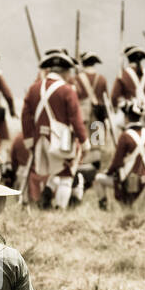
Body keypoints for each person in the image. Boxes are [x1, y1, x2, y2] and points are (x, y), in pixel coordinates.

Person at [20, 49, 88, 209]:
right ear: (65, 71)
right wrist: (85, 142)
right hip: (61, 139)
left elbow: (25, 116)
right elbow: (76, 119)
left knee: (53, 172)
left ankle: (47, 197)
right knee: (65, 175)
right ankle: (60, 210)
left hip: (39, 139)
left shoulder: (33, 88)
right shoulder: (68, 90)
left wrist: (30, 141)